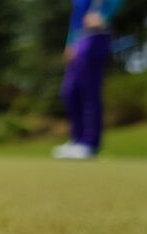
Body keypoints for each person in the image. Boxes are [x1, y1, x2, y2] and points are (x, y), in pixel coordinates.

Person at [53, 0, 124, 160]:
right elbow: (77, 18)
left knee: (89, 92)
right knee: (70, 92)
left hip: (96, 36)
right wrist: (70, 42)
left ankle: (90, 144)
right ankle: (77, 140)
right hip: (79, 40)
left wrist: (104, 16)